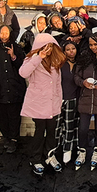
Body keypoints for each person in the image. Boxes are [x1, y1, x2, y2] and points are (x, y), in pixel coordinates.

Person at [20, 33, 65, 175]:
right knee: (40, 130)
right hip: (38, 103)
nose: (48, 49)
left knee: (52, 130)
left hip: (52, 103)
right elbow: (23, 73)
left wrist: (59, 101)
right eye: (45, 46)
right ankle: (35, 159)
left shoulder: (55, 62)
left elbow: (58, 84)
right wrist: (39, 57)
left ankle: (49, 156)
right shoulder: (31, 59)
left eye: (51, 46)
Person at [74, 33, 97, 171]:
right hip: (85, 97)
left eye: (95, 44)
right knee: (83, 127)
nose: (93, 47)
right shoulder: (84, 57)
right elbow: (76, 76)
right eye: (91, 45)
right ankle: (82, 150)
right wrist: (82, 82)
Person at [0, 25, 26, 154]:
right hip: (0, 87)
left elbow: (23, 66)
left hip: (14, 86)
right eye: (2, 33)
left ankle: (14, 138)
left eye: (6, 33)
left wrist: (13, 57)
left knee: (14, 115)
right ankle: (6, 137)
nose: (4, 35)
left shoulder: (16, 48)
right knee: (2, 115)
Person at [58, 42, 82, 164]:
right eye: (68, 49)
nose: (71, 51)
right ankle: (57, 148)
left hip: (74, 99)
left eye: (73, 48)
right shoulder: (60, 64)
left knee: (71, 126)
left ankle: (68, 149)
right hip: (60, 99)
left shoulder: (80, 64)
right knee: (58, 126)